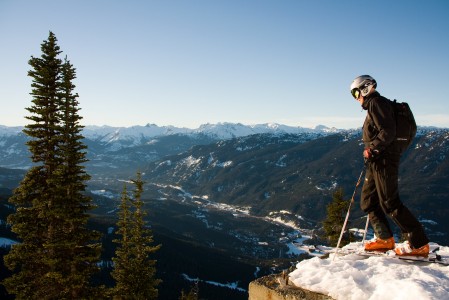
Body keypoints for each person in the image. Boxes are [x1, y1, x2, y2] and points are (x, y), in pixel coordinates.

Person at [350, 75, 429, 257]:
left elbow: (388, 131)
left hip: (384, 159)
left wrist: (373, 149)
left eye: (355, 93)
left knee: (390, 203)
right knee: (368, 201)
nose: (356, 98)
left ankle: (419, 243)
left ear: (365, 89)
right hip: (377, 160)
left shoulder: (377, 103)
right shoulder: (374, 105)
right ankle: (384, 239)